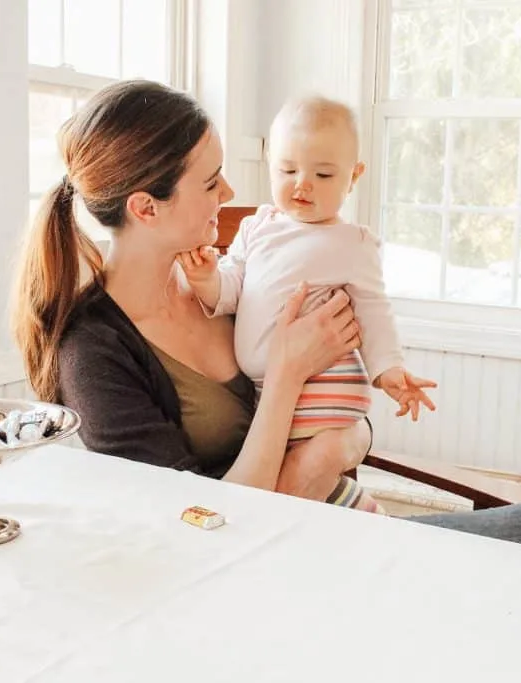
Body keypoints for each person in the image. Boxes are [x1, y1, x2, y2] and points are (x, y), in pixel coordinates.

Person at [12, 79, 521, 683]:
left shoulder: (216, 283)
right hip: (260, 574)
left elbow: (342, 391)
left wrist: (347, 434)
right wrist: (290, 389)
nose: (232, 191)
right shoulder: (96, 352)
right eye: (210, 182)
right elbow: (195, 534)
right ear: (146, 207)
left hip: (329, 521)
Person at [177, 95, 435, 516]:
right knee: (298, 491)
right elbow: (230, 289)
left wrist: (389, 369)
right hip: (271, 396)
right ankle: (362, 511)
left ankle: (362, 516)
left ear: (354, 177)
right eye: (288, 169)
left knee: (292, 487)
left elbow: (373, 310)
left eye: (323, 173)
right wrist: (207, 278)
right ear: (269, 162)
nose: (303, 184)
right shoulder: (256, 227)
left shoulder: (352, 242)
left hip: (325, 391)